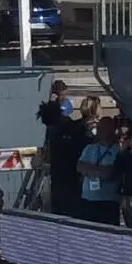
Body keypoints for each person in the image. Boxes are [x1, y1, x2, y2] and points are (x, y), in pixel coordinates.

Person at [36, 79, 82, 216]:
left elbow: (47, 156)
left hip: (62, 180)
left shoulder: (53, 133)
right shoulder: (75, 128)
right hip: (70, 180)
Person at [76, 117, 122, 226]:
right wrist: (100, 171)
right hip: (88, 200)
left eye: (103, 127)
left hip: (107, 202)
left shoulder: (117, 150)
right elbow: (79, 166)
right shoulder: (89, 148)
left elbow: (109, 174)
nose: (99, 130)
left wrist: (90, 170)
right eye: (99, 127)